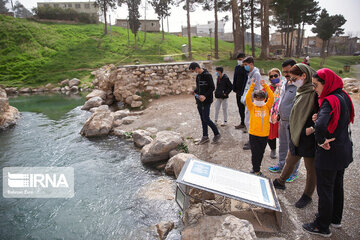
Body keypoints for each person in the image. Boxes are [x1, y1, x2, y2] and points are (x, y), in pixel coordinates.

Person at [302, 68, 354, 237]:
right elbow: (339, 119)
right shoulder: (343, 96)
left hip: (329, 152)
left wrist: (320, 140)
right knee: (337, 186)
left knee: (325, 189)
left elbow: (322, 126)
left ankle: (322, 226)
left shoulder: (329, 100)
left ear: (327, 83)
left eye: (316, 85)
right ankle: (335, 219)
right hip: (343, 149)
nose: (314, 89)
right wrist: (321, 119)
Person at [273, 63, 319, 209]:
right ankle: (281, 182)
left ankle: (307, 195)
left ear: (304, 76)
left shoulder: (314, 92)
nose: (292, 81)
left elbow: (321, 115)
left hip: (308, 135)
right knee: (290, 158)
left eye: (294, 78)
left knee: (310, 167)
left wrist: (312, 128)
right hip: (297, 132)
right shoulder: (302, 90)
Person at [268, 59, 300, 183]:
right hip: (282, 119)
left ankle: (293, 171)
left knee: (293, 149)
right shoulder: (285, 83)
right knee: (283, 144)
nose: (286, 74)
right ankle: (281, 164)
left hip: (293, 122)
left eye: (289, 71)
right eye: (284, 72)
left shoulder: (299, 85)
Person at [246, 78, 274, 175]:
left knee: (261, 153)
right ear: (254, 99)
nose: (259, 100)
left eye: (261, 99)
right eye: (257, 99)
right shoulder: (252, 107)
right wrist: (252, 86)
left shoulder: (267, 107)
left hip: (264, 135)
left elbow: (272, 97)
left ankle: (257, 168)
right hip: (253, 134)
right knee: (254, 153)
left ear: (264, 99)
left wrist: (265, 86)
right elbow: (247, 97)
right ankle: (256, 170)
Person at [189, 62, 221, 144]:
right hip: (199, 101)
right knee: (203, 119)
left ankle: (217, 134)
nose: (193, 72)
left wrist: (205, 96)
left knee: (206, 118)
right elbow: (198, 87)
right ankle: (205, 136)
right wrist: (194, 91)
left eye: (193, 71)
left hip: (206, 101)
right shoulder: (198, 76)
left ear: (196, 68)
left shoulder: (207, 75)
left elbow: (212, 87)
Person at [241, 56, 261, 150]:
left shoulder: (256, 74)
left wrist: (250, 99)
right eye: (244, 65)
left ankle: (252, 141)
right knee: (247, 121)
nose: (245, 67)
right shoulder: (250, 73)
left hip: (252, 102)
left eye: (246, 65)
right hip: (248, 101)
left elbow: (256, 89)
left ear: (251, 64)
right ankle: (251, 139)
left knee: (249, 122)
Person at [266, 68, 281, 160]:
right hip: (270, 115)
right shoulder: (267, 88)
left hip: (281, 114)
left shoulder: (284, 86)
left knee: (283, 134)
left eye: (275, 75)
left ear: (279, 75)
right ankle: (273, 149)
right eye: (271, 76)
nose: (273, 77)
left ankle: (285, 152)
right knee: (270, 134)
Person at [232, 53, 248, 129]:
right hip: (238, 91)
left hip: (245, 91)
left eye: (241, 60)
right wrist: (234, 88)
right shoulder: (237, 67)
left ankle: (248, 123)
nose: (239, 61)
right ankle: (242, 122)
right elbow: (235, 78)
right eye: (238, 60)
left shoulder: (246, 68)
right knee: (240, 107)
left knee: (247, 108)